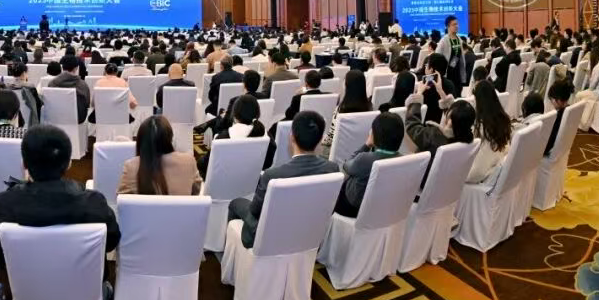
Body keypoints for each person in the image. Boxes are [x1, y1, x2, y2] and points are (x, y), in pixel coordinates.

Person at [0, 123, 119, 260]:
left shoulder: (5, 204)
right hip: (84, 273)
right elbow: (111, 242)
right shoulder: (95, 203)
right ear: (69, 164)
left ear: (24, 164)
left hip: (27, 273)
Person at [227, 111, 338, 248]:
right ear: (321, 139)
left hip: (269, 238)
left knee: (236, 203)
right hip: (307, 235)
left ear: (292, 137)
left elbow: (255, 211)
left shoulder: (272, 175)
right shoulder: (332, 169)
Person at [333, 112, 405, 217]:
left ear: (375, 135)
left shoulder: (364, 159)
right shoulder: (402, 159)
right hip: (380, 206)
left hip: (353, 208)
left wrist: (367, 144)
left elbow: (346, 165)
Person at [404, 91, 476, 183]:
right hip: (446, 182)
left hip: (422, 180)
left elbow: (412, 126)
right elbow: (457, 119)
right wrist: (442, 94)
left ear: (450, 121)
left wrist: (417, 99)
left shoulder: (434, 136)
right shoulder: (468, 140)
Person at [118, 116, 200, 195]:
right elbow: (196, 192)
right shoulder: (188, 161)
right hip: (181, 205)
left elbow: (122, 201)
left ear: (141, 140)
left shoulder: (131, 166)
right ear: (170, 138)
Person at [467, 80, 513, 184]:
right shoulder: (502, 120)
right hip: (494, 169)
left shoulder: (482, 128)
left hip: (480, 176)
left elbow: (476, 172)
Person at [47, 54, 91, 123]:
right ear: (76, 68)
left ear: (62, 67)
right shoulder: (83, 85)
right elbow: (87, 104)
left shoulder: (52, 84)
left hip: (56, 118)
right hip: (78, 119)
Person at [543, 79, 575, 156]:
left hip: (550, 152)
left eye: (551, 99)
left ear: (558, 100)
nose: (551, 102)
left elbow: (549, 144)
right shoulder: (571, 110)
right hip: (563, 149)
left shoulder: (558, 117)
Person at [436, 15, 465, 96]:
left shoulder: (459, 39)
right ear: (448, 26)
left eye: (457, 24)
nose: (457, 26)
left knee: (458, 95)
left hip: (458, 74)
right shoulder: (444, 40)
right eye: (454, 24)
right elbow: (437, 56)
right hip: (448, 75)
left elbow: (460, 58)